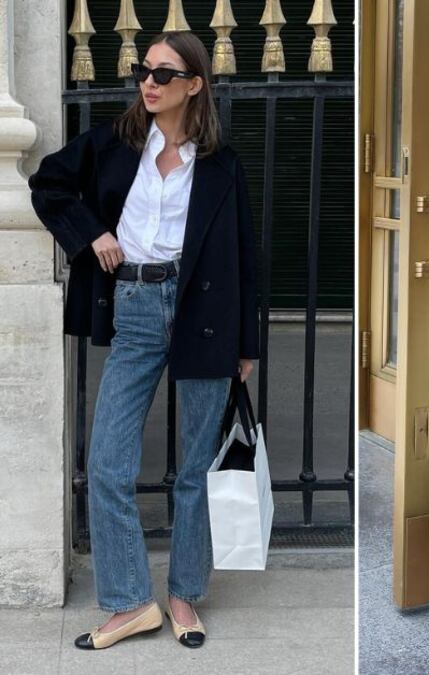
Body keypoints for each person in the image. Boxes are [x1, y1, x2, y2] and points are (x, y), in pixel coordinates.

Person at [29, 31, 260, 650]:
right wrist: (92, 233)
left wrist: (248, 345)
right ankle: (132, 602)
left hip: (203, 314)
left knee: (195, 469)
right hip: (133, 303)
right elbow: (48, 184)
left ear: (195, 84)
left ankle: (184, 595)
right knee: (108, 464)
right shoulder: (114, 142)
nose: (148, 83)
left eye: (164, 73)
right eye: (143, 70)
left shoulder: (221, 163)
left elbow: (245, 256)